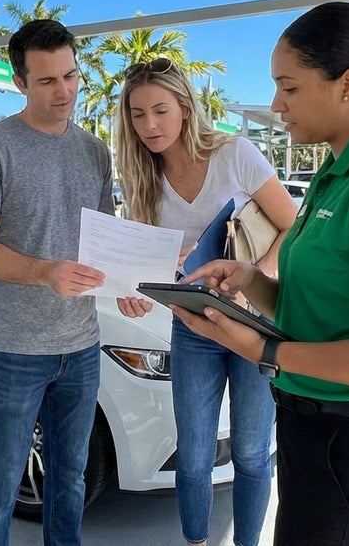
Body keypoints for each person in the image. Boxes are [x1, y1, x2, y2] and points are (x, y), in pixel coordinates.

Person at [175, 1, 349, 546]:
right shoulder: (337, 170)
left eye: (289, 87)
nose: (277, 104)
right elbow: (326, 310)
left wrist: (265, 352)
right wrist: (250, 282)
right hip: (320, 437)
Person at [112, 58, 298, 546]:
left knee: (253, 452)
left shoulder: (234, 153)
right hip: (193, 326)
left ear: (186, 109)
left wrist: (256, 277)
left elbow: (292, 226)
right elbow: (155, 263)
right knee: (193, 456)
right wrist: (137, 295)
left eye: (160, 110)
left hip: (254, 324)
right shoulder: (141, 177)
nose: (149, 125)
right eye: (137, 114)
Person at [0, 19, 114, 546]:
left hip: (82, 345)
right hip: (13, 348)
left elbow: (103, 242)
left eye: (70, 75)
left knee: (69, 481)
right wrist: (45, 271)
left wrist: (130, 291)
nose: (64, 90)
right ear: (20, 81)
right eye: (47, 81)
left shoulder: (95, 151)